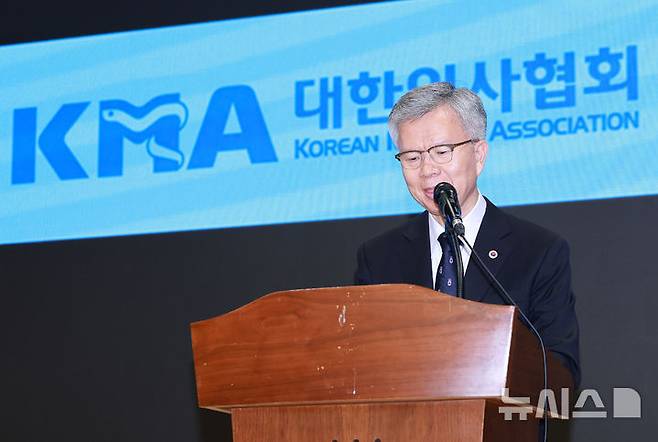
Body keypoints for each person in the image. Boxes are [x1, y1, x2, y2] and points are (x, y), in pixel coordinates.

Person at [354, 82, 580, 387]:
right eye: (412, 157)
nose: (427, 170)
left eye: (441, 152)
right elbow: (360, 367)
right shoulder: (378, 258)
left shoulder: (538, 251)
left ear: (478, 154)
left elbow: (561, 374)